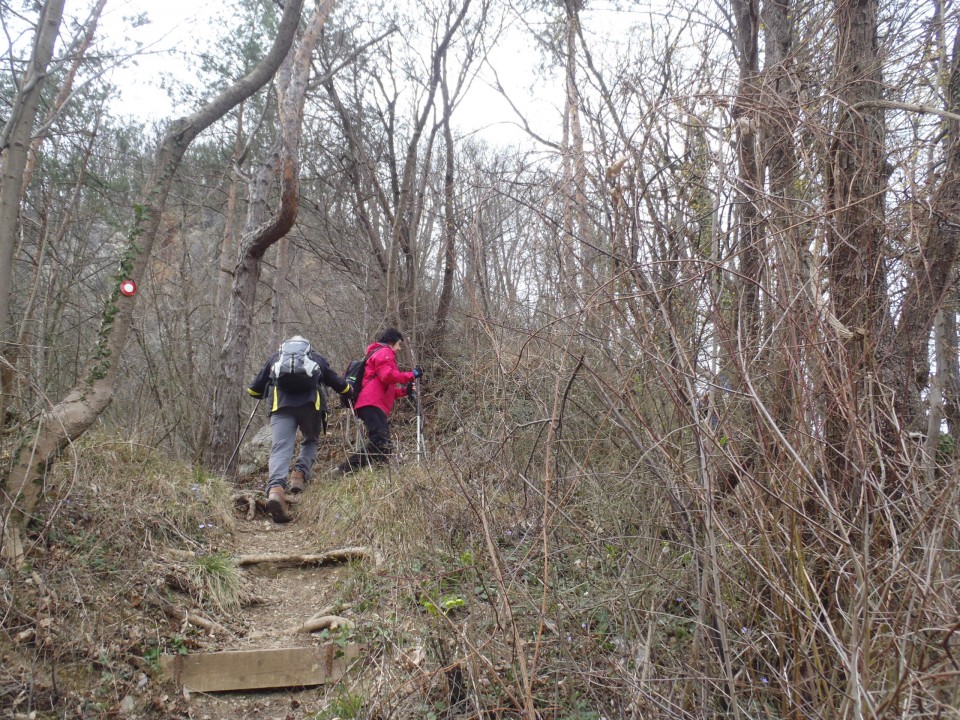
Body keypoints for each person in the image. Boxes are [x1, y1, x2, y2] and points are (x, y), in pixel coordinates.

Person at [248, 335, 352, 523]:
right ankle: (299, 474)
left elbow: (254, 390)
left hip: (281, 407)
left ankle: (276, 489)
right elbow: (337, 382)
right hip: (311, 407)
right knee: (310, 440)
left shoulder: (275, 358)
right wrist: (349, 391)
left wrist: (266, 387)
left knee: (281, 447)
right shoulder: (315, 358)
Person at [337, 327, 423, 473]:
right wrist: (412, 374)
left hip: (372, 403)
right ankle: (343, 470)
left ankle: (381, 473)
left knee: (384, 445)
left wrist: (404, 391)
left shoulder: (379, 354)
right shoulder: (384, 352)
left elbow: (386, 388)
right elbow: (387, 376)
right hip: (371, 403)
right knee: (380, 441)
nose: (399, 348)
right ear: (392, 342)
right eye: (399, 344)